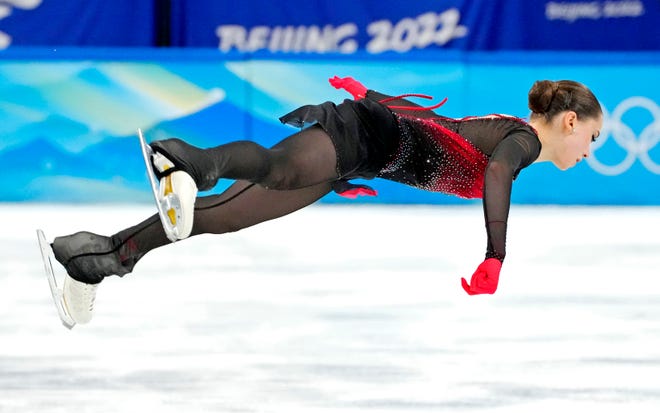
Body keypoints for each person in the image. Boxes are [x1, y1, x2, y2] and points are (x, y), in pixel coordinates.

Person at [48, 76, 603, 326]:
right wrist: (494, 253)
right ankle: (186, 161)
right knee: (276, 168)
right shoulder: (523, 143)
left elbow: (435, 128)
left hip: (358, 150)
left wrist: (368, 99)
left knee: (222, 217)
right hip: (355, 138)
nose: (588, 152)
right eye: (592, 139)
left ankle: (98, 258)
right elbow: (497, 174)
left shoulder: (508, 128)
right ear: (571, 121)